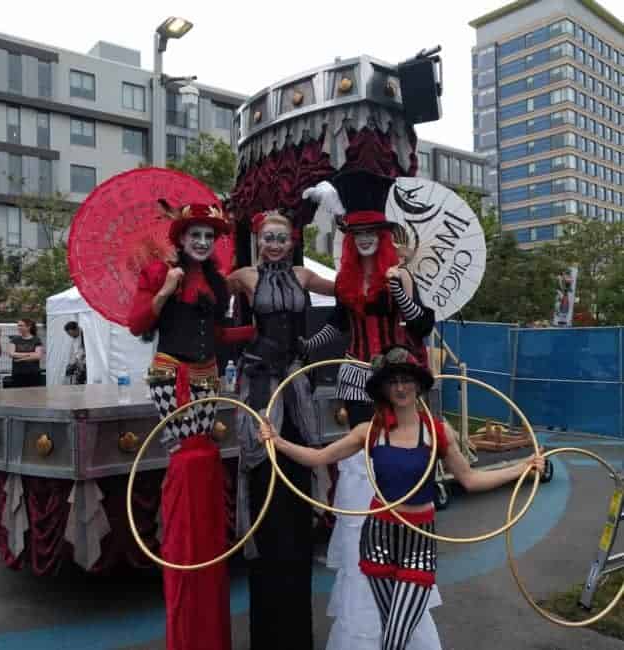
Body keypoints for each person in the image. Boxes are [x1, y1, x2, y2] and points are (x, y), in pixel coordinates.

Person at [260, 345, 544, 649]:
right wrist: (277, 442)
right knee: (389, 630)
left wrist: (522, 468)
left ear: (419, 384)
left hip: (419, 540)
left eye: (406, 379)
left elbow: (470, 479)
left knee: (396, 637)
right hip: (379, 537)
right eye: (392, 381)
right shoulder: (368, 431)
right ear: (383, 389)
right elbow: (318, 458)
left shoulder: (437, 432)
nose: (400, 387)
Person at [301, 170, 436, 649]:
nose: (361, 241)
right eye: (355, 234)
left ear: (381, 237)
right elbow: (336, 328)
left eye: (370, 234)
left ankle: (404, 520)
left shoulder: (399, 276)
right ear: (348, 238)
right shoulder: (344, 284)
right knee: (358, 460)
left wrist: (402, 294)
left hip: (395, 376)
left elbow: (420, 327)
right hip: (355, 377)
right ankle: (364, 528)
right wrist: (305, 347)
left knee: (395, 452)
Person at [128, 200, 253, 650]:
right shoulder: (161, 272)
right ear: (180, 239)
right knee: (188, 454)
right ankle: (186, 544)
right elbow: (138, 324)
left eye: (208, 236)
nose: (202, 242)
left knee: (204, 453)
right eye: (194, 235)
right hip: (169, 372)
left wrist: (259, 332)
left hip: (208, 373)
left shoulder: (217, 284)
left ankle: (204, 543)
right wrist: (165, 289)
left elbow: (219, 336)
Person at [227, 210, 334, 650]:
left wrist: (316, 344)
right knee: (261, 465)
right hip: (258, 383)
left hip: (296, 383)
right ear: (257, 239)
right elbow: (209, 305)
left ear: (291, 241)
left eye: (281, 238)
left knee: (298, 459)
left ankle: (299, 537)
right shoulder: (244, 276)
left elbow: (349, 296)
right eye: (267, 238)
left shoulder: (304, 276)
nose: (274, 244)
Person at [9, 319, 43, 388]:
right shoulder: (14, 339)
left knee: (33, 395)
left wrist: (21, 359)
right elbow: (11, 354)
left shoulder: (36, 340)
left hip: (33, 373)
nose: (19, 327)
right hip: (18, 373)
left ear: (28, 327)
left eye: (21, 325)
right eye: (18, 326)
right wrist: (30, 354)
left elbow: (38, 356)